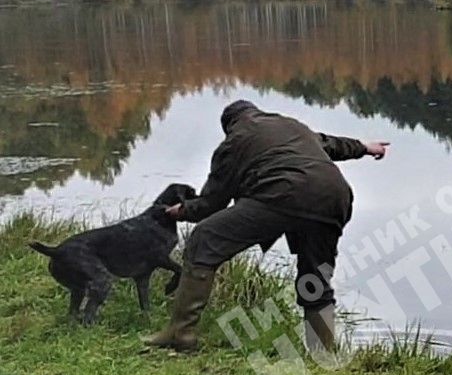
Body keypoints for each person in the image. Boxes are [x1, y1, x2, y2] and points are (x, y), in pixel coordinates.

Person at [143, 100, 388, 352]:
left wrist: (182, 211)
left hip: (282, 194)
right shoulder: (291, 126)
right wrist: (364, 147)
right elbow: (332, 144)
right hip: (334, 196)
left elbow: (211, 204)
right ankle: (323, 352)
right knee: (314, 277)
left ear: (229, 125)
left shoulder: (234, 141)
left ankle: (181, 333)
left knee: (204, 239)